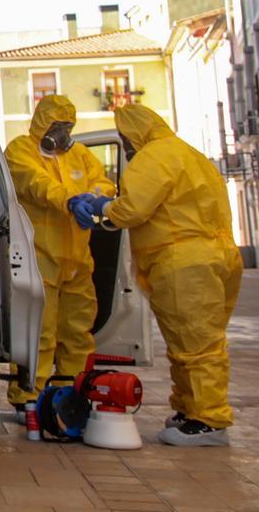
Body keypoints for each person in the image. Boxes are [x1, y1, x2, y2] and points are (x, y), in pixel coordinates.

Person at [88, 104, 241, 447]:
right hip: (217, 255)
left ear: (133, 133)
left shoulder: (152, 157)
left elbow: (134, 208)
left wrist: (103, 208)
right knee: (196, 341)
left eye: (125, 136)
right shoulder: (190, 154)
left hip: (183, 261)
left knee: (195, 345)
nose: (126, 143)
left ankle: (209, 421)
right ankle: (191, 410)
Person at [4, 95, 115, 417]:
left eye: (67, 126)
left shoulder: (79, 155)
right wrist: (70, 200)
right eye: (56, 125)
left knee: (78, 330)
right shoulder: (21, 150)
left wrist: (95, 199)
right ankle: (28, 394)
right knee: (40, 329)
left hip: (78, 258)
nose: (62, 132)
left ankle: (71, 391)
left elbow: (103, 181)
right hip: (41, 257)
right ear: (42, 123)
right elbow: (36, 183)